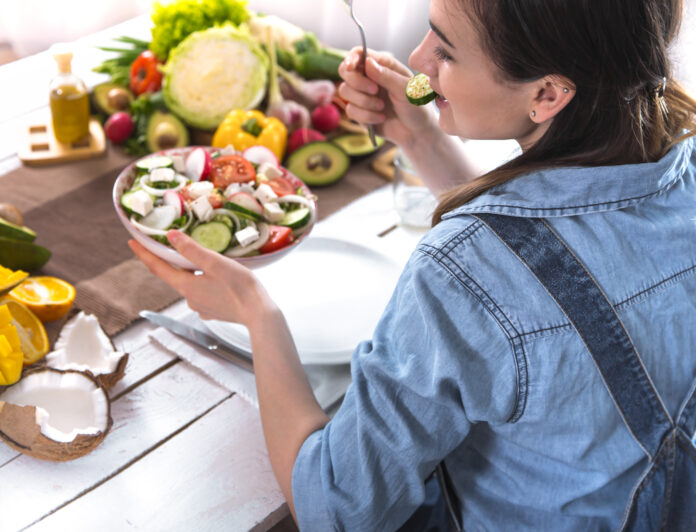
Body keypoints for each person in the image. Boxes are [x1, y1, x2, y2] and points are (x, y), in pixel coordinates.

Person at [130, 0, 696, 529]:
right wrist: (418, 136)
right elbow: (554, 276)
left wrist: (257, 315)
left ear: (547, 95)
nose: (419, 60)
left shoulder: (457, 268)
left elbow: (334, 508)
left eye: (446, 53)